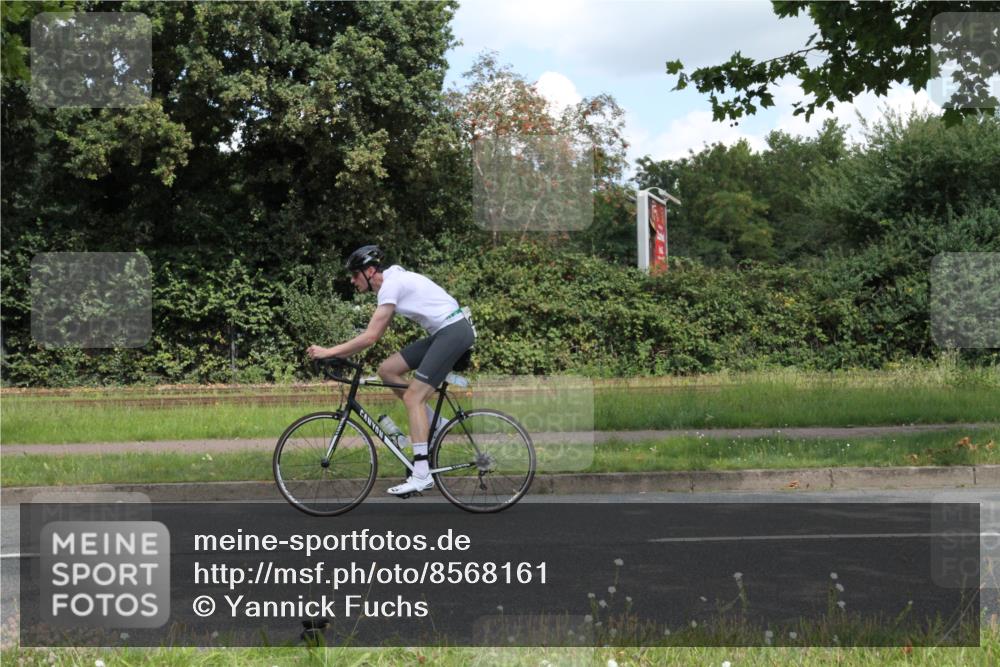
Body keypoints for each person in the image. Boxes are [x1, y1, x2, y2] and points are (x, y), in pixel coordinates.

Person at [306, 245, 476, 496]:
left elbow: (371, 336)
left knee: (413, 397)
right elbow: (374, 336)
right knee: (387, 370)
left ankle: (421, 474)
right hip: (443, 332)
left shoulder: (390, 286)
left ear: (370, 271)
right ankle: (434, 423)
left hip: (452, 332)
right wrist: (340, 353)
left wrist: (329, 352)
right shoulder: (392, 282)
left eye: (355, 275)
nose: (352, 281)